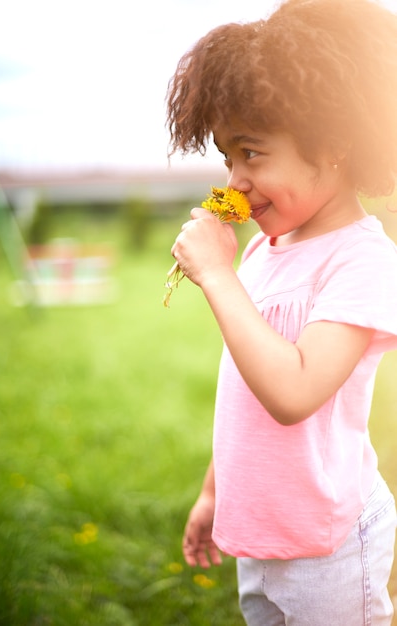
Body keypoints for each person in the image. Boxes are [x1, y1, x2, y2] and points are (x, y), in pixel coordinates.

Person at [165, 0, 397, 624]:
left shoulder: (363, 261)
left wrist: (215, 273)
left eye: (253, 153)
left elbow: (293, 391)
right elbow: (247, 381)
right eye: (226, 158)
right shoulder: (265, 251)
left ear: (334, 145)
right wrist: (217, 491)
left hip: (330, 542)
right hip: (261, 530)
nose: (235, 180)